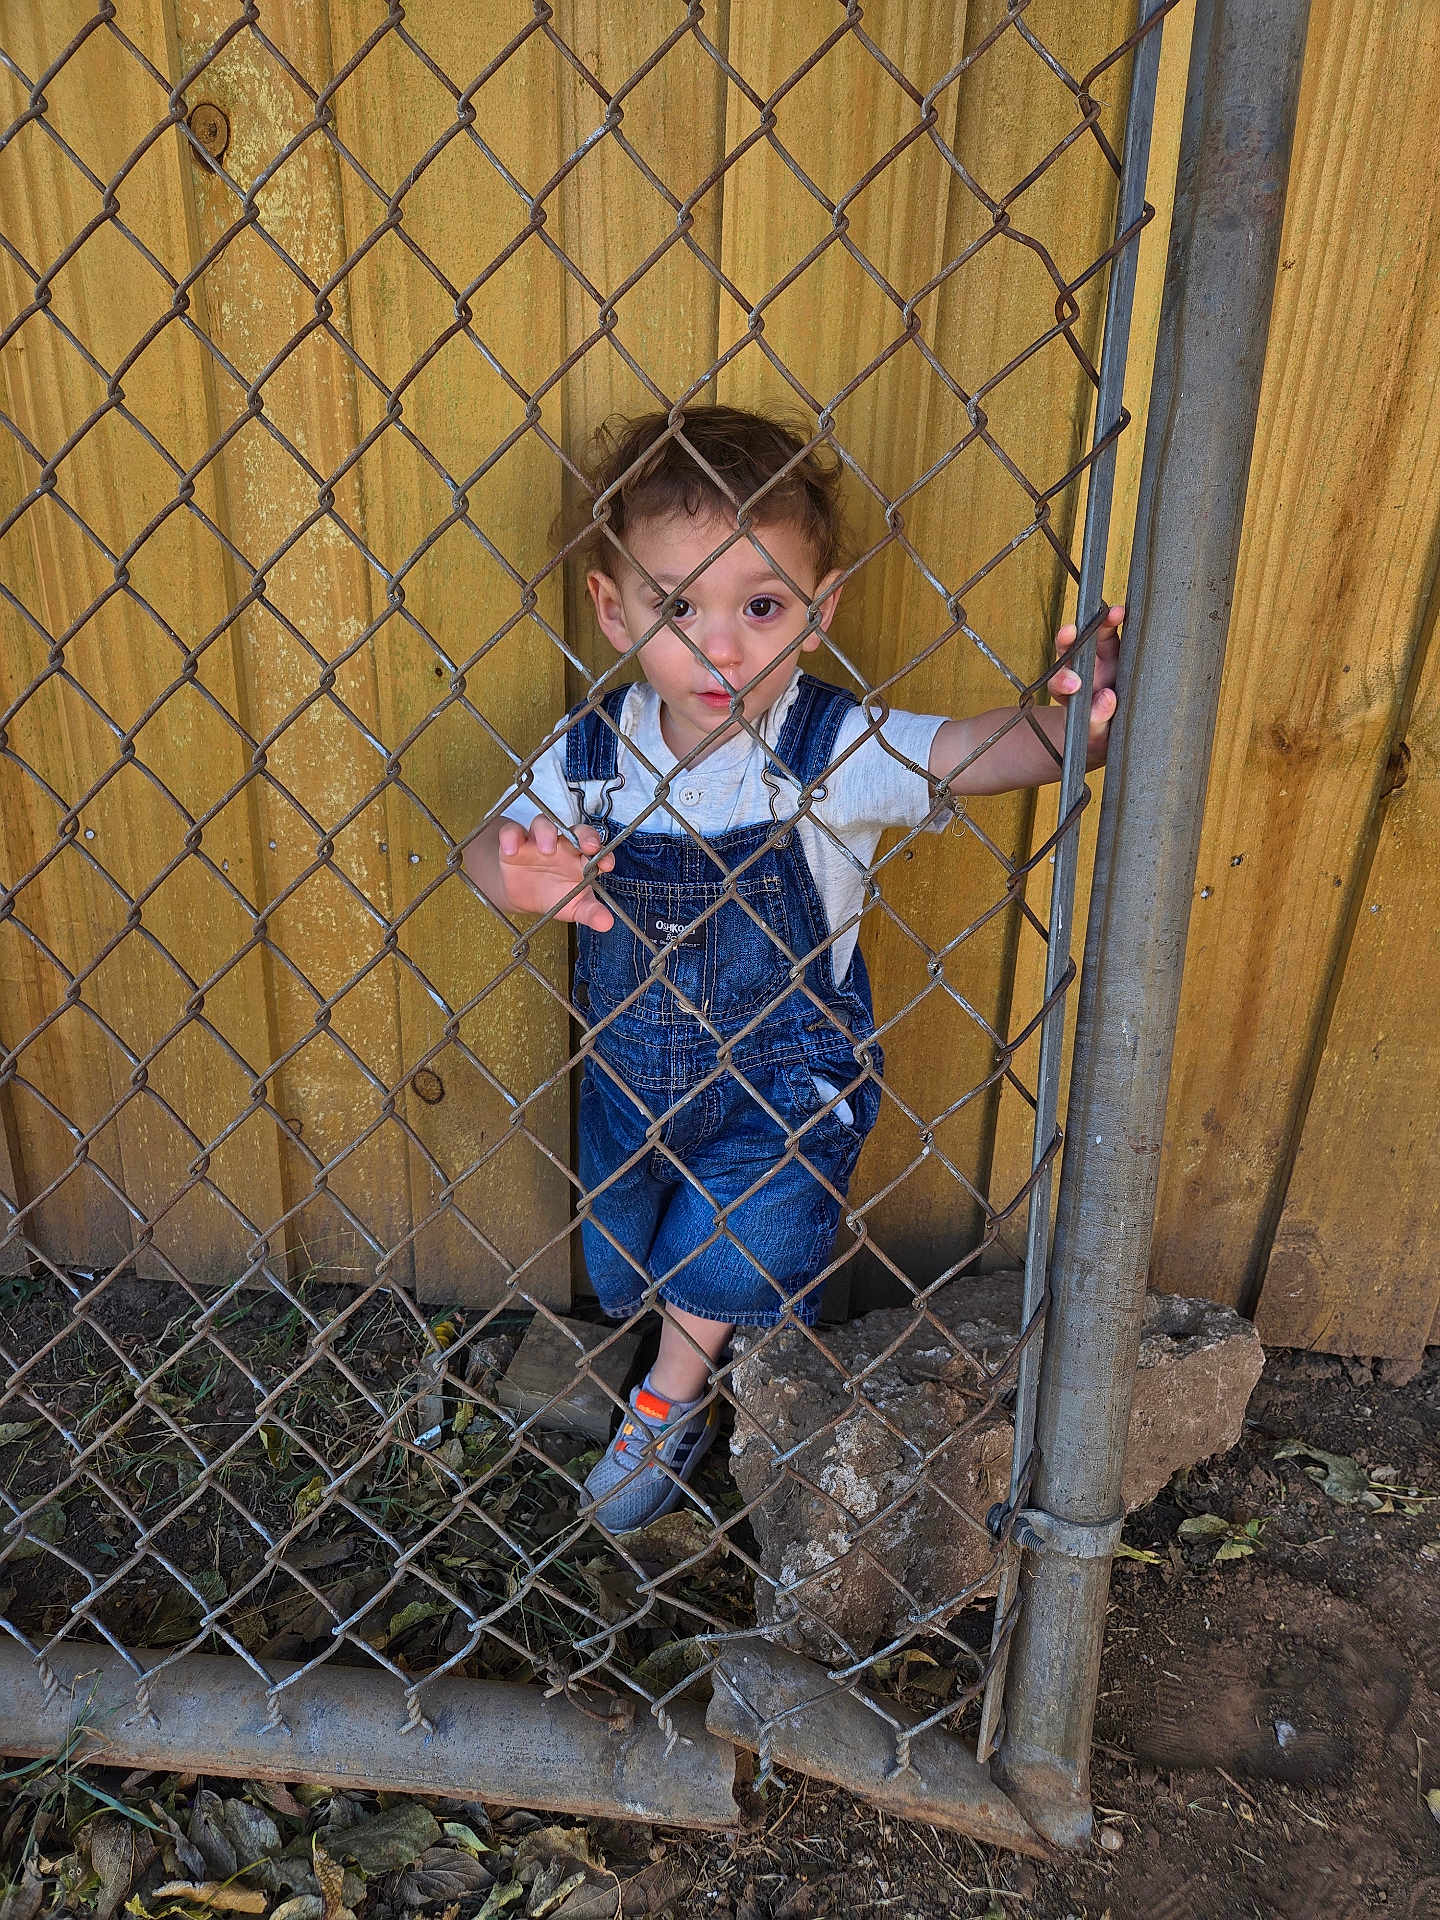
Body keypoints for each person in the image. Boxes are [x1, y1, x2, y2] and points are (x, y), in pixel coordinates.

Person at [463, 406, 1120, 1534]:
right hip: (633, 1076)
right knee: (647, 1238)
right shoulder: (587, 755)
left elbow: (973, 752)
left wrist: (1075, 730)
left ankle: (667, 1400)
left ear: (819, 612)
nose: (722, 649)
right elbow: (492, 842)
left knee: (737, 1234)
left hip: (781, 1083)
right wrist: (516, 874)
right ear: (613, 610)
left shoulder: (834, 746)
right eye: (678, 608)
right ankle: (726, 1352)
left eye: (761, 607)